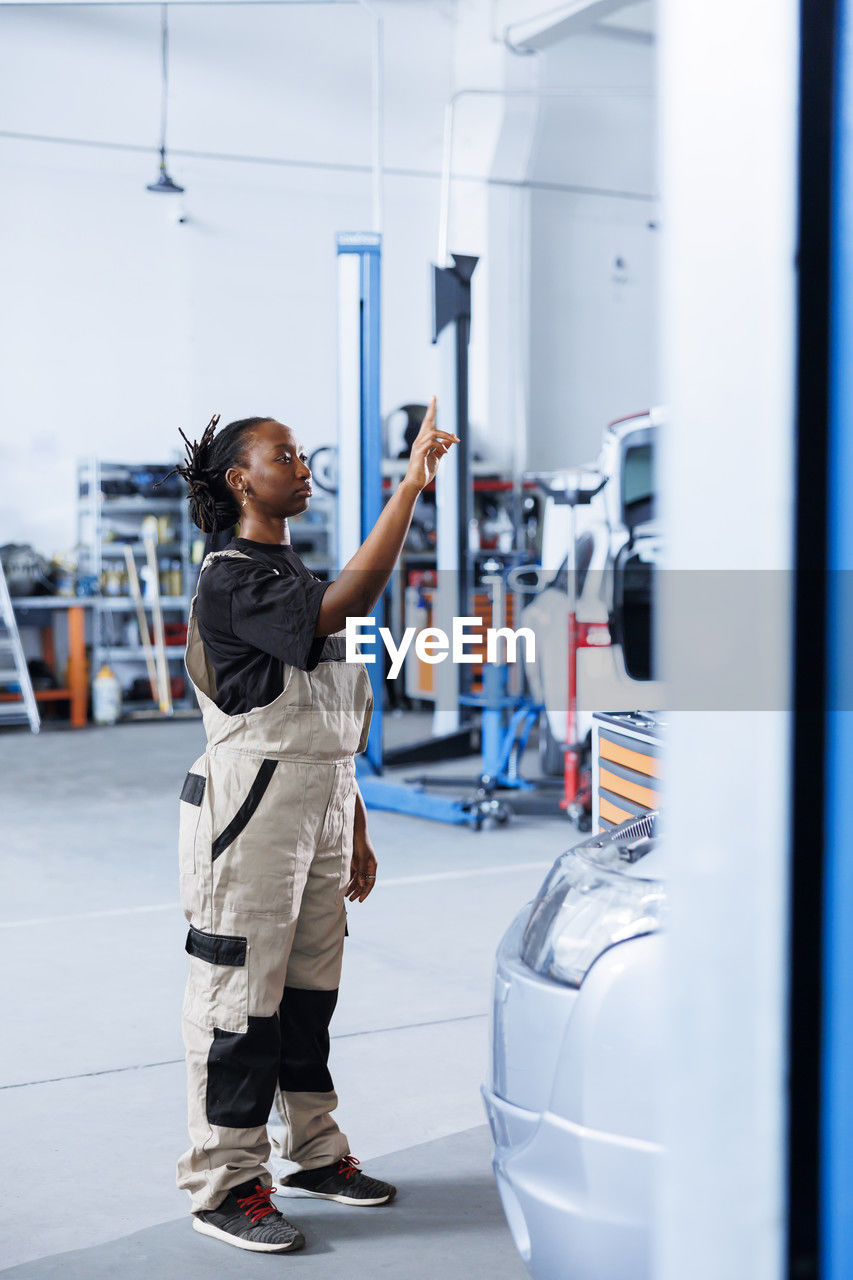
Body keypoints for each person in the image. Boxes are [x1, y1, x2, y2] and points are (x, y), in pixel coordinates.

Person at [170, 398, 458, 1254]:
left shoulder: (290, 577)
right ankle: (223, 1183)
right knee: (237, 1004)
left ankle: (313, 1153)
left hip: (323, 802)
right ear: (240, 481)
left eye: (299, 456)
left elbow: (328, 726)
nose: (302, 468)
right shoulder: (234, 577)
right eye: (285, 457)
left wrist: (357, 823)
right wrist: (409, 486)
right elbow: (357, 596)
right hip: (251, 810)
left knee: (306, 998)